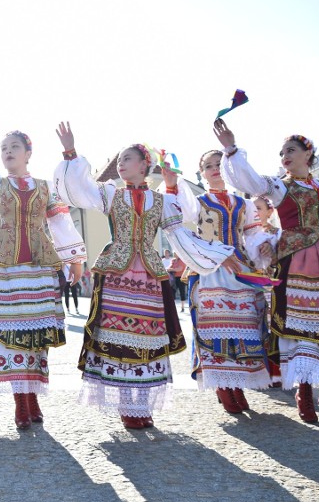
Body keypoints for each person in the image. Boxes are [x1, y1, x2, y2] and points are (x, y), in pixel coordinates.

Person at [54, 122, 237, 429]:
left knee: (147, 336)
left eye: (127, 159)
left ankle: (142, 402)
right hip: (117, 273)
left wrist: (215, 255)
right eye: (119, 160)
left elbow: (182, 232)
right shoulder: (111, 194)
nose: (121, 164)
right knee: (120, 336)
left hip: (150, 276)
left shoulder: (160, 200)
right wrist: (70, 151)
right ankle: (127, 404)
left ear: (143, 165)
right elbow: (78, 190)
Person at [0, 111, 87, 429]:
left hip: (38, 269)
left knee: (35, 338)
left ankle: (31, 396)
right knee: (11, 337)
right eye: (4, 147)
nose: (7, 152)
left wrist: (75, 260)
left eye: (14, 147)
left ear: (28, 153)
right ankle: (21, 402)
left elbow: (61, 223)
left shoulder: (46, 188)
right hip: (5, 272)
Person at [215, 119, 319, 424]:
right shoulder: (280, 186)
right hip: (298, 263)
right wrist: (231, 148)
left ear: (308, 155)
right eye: (282, 151)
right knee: (302, 331)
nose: (284, 155)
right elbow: (251, 182)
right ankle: (305, 395)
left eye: (291, 150)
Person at [163, 149, 271, 414]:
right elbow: (177, 218)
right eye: (208, 166)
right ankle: (222, 385)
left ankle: (237, 383)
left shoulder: (241, 203)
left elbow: (253, 233)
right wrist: (171, 183)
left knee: (245, 327)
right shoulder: (197, 201)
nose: (214, 169)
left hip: (241, 271)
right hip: (209, 269)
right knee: (215, 328)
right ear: (201, 173)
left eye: (219, 164)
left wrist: (264, 247)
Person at [252, 195, 283, 387]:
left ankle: (274, 373)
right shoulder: (244, 234)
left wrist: (273, 253)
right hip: (249, 286)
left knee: (272, 326)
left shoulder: (278, 234)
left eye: (259, 208)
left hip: (271, 286)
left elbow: (284, 260)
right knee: (253, 326)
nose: (255, 213)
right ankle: (255, 371)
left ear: (270, 211)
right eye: (252, 209)